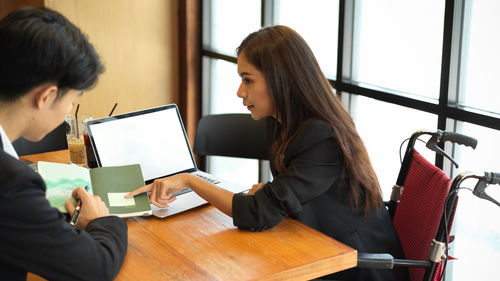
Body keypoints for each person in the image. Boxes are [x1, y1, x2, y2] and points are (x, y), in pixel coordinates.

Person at [127, 25, 408, 281]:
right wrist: (277, 194)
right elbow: (290, 194)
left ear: (281, 80)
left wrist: (191, 181)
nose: (240, 91)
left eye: (248, 80)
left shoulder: (322, 136)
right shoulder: (282, 121)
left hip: (355, 264)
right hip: (314, 242)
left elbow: (257, 213)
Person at [0, 7, 127, 280]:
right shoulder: (11, 183)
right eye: (73, 99)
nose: (70, 108)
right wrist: (102, 222)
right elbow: (95, 268)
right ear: (46, 97)